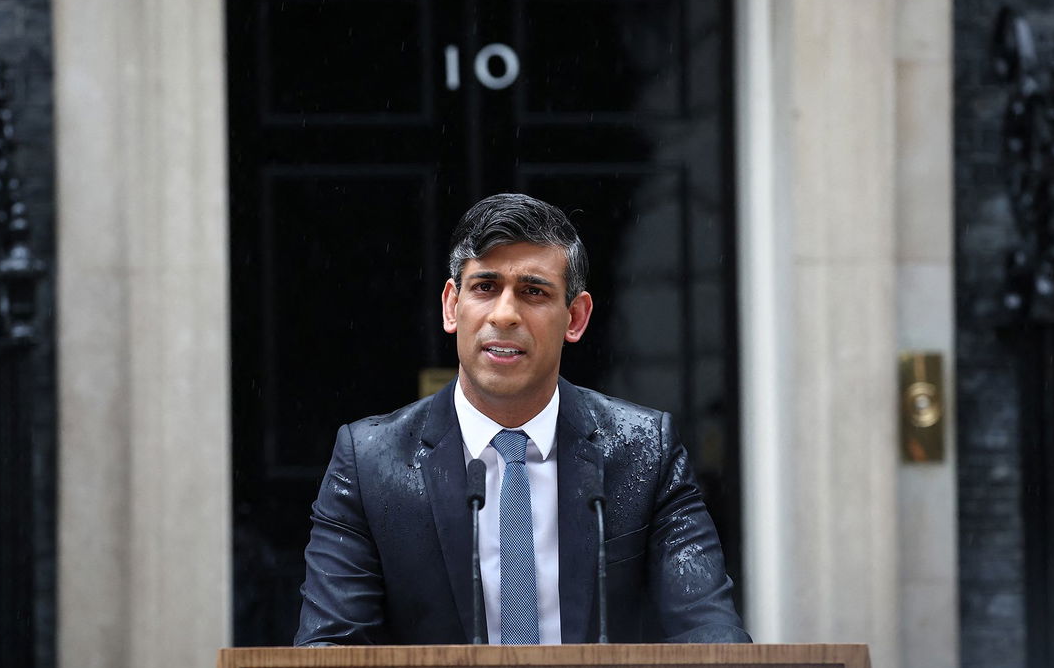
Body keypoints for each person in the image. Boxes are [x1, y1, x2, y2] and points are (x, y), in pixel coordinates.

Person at [295, 193, 748, 645]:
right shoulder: (370, 462)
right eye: (485, 287)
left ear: (575, 317)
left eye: (533, 292)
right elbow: (327, 657)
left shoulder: (645, 450)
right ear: (452, 306)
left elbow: (711, 635)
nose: (505, 314)